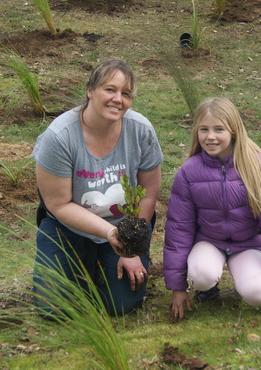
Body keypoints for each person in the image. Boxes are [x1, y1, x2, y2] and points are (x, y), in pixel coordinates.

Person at [32, 58, 163, 317]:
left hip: (126, 225)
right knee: (52, 309)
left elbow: (147, 194)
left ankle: (101, 265)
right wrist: (110, 233)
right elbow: (58, 204)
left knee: (122, 305)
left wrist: (130, 246)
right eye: (110, 89)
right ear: (90, 91)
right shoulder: (59, 137)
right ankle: (84, 266)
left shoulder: (140, 130)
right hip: (68, 227)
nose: (118, 99)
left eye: (126, 94)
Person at [163, 97, 261, 322]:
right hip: (209, 242)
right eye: (203, 129)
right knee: (202, 275)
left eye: (219, 129)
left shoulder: (257, 168)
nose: (210, 136)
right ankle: (206, 288)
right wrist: (177, 287)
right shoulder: (188, 173)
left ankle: (248, 277)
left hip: (247, 244)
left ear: (234, 131)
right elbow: (179, 230)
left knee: (256, 295)